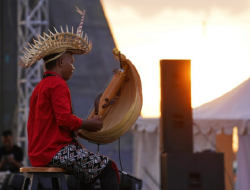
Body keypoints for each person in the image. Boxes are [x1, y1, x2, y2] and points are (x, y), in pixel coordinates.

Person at [19, 7, 120, 190]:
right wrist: (89, 124)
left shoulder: (41, 86)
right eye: (71, 62)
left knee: (89, 173)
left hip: (39, 153)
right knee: (109, 168)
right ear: (60, 62)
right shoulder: (57, 84)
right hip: (54, 152)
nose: (73, 67)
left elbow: (57, 123)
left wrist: (81, 128)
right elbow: (64, 120)